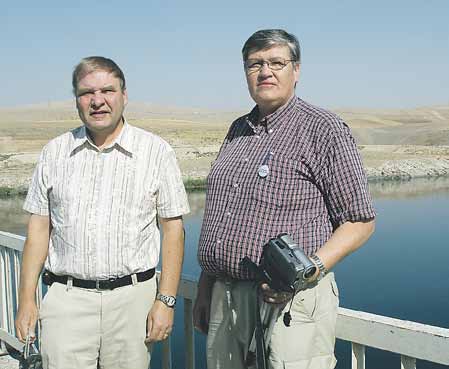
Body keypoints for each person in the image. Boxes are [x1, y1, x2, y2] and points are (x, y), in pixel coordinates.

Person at [193, 29, 376, 369]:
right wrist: (207, 286)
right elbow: (224, 216)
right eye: (255, 64)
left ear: (297, 70)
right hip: (226, 298)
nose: (265, 72)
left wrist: (307, 272)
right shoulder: (238, 130)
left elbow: (360, 221)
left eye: (277, 62)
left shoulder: (323, 128)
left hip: (291, 302)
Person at [15, 56, 190, 369]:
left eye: (108, 91)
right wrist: (27, 298)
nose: (97, 101)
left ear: (124, 96)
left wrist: (165, 301)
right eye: (87, 93)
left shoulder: (156, 151)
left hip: (133, 302)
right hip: (66, 300)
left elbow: (173, 229)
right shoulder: (54, 152)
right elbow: (39, 228)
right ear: (77, 101)